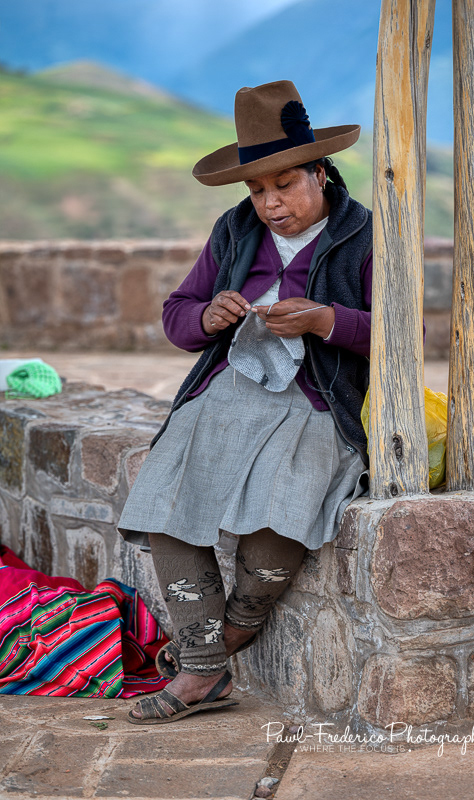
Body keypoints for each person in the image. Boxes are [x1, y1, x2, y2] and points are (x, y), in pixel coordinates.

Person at [118, 80, 373, 725]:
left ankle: (233, 628)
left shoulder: (364, 236)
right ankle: (204, 667)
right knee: (166, 501)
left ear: (320, 172)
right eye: (258, 190)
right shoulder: (233, 234)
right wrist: (209, 317)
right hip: (227, 392)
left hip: (317, 400)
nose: (270, 203)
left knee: (280, 516)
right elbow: (177, 319)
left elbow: (400, 333)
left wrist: (325, 321)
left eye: (285, 184)